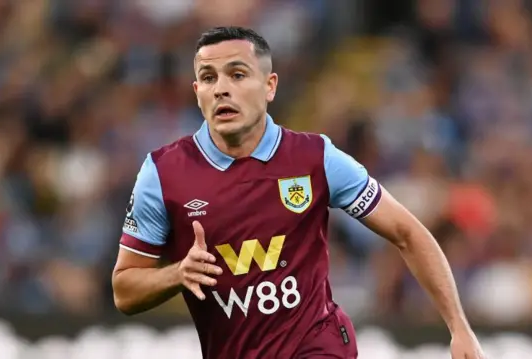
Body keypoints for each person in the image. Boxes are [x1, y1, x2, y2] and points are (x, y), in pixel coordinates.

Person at [111, 26, 486, 359]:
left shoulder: (316, 158)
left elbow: (407, 232)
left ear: (270, 86)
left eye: (237, 74)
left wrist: (459, 327)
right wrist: (178, 273)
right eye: (208, 78)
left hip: (319, 345)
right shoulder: (163, 173)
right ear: (197, 93)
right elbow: (124, 291)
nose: (221, 88)